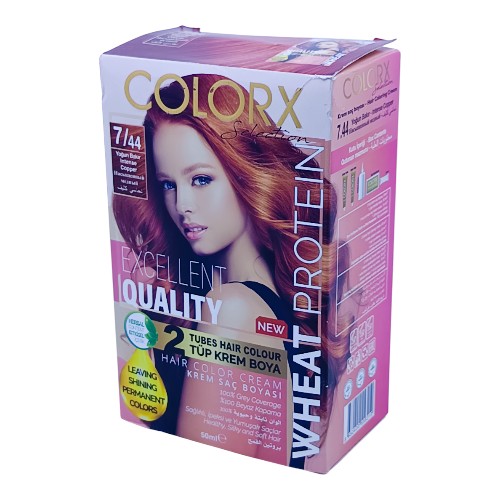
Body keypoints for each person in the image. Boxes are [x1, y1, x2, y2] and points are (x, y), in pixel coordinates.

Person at [113, 74, 352, 467]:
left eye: (201, 179)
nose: (182, 205)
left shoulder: (234, 310)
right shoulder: (270, 305)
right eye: (168, 185)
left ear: (247, 173)